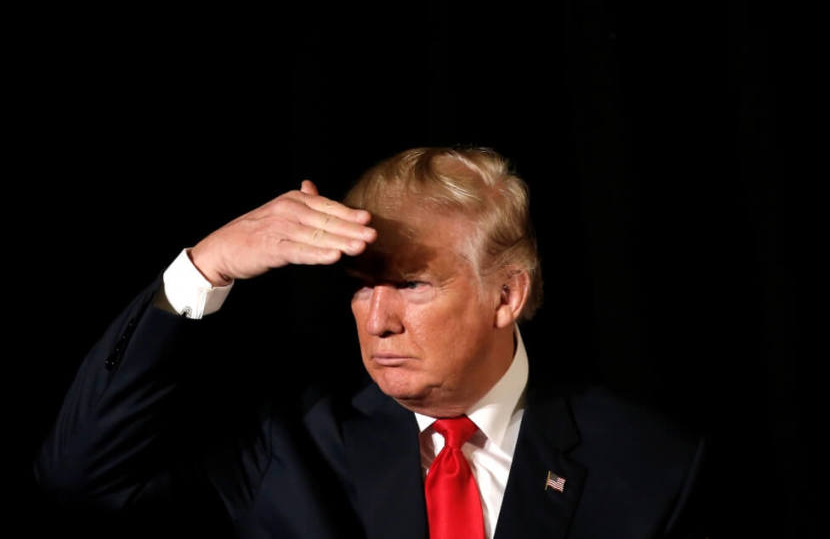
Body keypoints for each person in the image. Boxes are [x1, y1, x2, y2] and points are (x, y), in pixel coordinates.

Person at [34, 147, 706, 538]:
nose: (376, 319)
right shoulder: (291, 444)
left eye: (411, 285)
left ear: (508, 296)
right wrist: (204, 266)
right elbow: (77, 480)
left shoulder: (651, 466)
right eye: (360, 286)